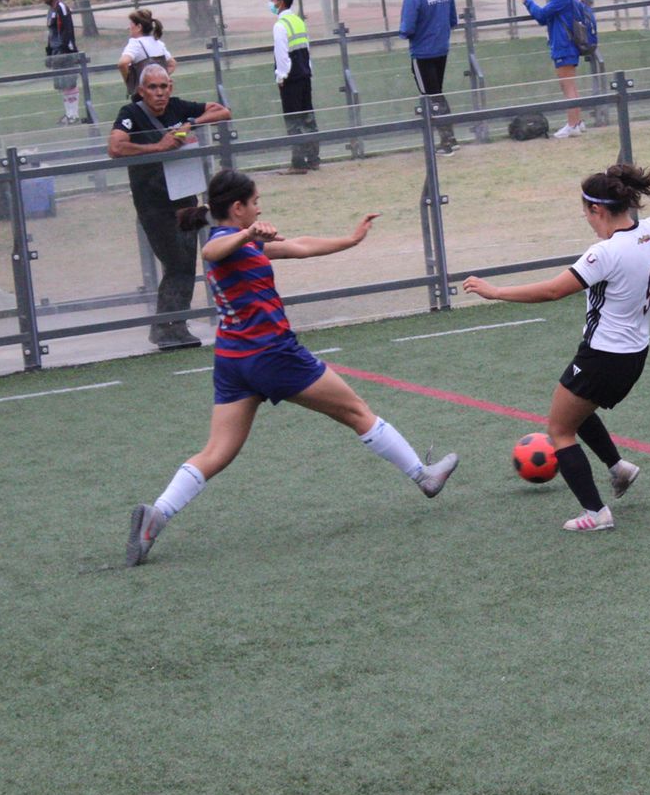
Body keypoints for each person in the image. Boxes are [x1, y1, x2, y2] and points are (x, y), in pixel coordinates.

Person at [125, 168, 460, 565]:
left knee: (217, 451)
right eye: (255, 203)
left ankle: (156, 516)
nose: (259, 209)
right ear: (237, 207)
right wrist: (249, 234)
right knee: (357, 411)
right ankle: (424, 476)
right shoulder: (223, 242)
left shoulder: (247, 244)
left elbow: (300, 246)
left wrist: (351, 239)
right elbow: (211, 252)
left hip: (234, 361)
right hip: (273, 355)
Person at [461, 163, 650, 531]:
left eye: (586, 213)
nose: (587, 220)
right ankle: (618, 467)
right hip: (634, 356)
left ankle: (596, 513)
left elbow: (553, 291)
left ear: (597, 209)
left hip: (601, 357)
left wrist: (496, 291)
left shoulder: (604, 253)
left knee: (559, 430)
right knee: (577, 410)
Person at [107, 64, 231, 350]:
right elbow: (115, 147)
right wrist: (158, 147)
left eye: (164, 86)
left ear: (170, 87)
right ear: (141, 91)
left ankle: (174, 326)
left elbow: (223, 111)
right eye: (152, 87)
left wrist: (190, 123)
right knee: (176, 262)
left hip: (185, 198)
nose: (159, 93)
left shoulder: (178, 107)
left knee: (186, 263)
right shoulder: (131, 114)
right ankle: (166, 327)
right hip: (153, 203)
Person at [398, 0, 459, 154]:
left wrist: (406, 32)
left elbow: (407, 29)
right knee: (436, 93)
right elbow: (453, 20)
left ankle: (447, 141)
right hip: (441, 50)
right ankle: (449, 138)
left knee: (431, 97)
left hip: (423, 53)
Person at [520, 0, 585, 139]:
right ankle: (577, 122)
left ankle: (572, 124)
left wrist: (527, 0)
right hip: (565, 45)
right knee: (570, 86)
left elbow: (541, 16)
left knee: (567, 86)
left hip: (564, 46)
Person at [270, 0, 320, 174]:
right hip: (305, 74)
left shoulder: (280, 25)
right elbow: (306, 48)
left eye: (273, 0)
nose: (271, 3)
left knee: (293, 120)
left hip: (291, 78)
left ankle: (298, 163)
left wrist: (281, 76)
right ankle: (314, 159)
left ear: (281, 3)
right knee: (308, 118)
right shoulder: (298, 21)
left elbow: (282, 54)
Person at [42, 0, 83, 125]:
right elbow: (51, 34)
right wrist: (49, 53)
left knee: (69, 82)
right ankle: (68, 114)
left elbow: (68, 30)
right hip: (55, 52)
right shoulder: (50, 11)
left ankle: (74, 115)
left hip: (65, 52)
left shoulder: (62, 8)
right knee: (62, 84)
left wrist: (64, 51)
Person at [117, 8, 176, 100]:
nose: (128, 28)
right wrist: (160, 79)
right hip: (162, 94)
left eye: (131, 24)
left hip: (143, 96)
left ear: (139, 27)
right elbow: (172, 64)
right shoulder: (158, 42)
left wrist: (130, 82)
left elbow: (123, 63)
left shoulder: (135, 43)